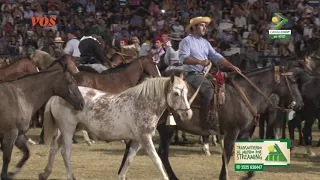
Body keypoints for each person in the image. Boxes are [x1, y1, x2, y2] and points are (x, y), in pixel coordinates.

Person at [179, 16, 241, 135]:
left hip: (204, 74)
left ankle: (219, 117)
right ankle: (204, 121)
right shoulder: (186, 41)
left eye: (205, 26)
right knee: (208, 90)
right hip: (192, 74)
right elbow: (183, 59)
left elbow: (216, 56)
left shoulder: (205, 42)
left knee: (223, 87)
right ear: (194, 27)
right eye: (202, 26)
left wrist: (230, 66)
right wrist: (200, 61)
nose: (205, 28)